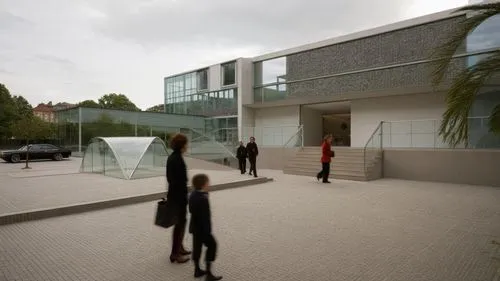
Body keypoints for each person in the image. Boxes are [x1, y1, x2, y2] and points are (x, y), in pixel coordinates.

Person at [189, 174, 223, 281]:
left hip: (194, 227)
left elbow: (192, 210)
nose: (209, 184)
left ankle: (197, 270)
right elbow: (205, 217)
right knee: (212, 245)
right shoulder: (203, 199)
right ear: (203, 185)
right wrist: (208, 231)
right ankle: (208, 273)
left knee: (197, 248)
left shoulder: (193, 195)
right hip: (203, 229)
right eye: (208, 182)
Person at [166, 133, 191, 263]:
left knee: (181, 224)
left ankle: (179, 248)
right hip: (178, 197)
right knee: (179, 225)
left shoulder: (174, 157)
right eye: (186, 143)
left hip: (176, 196)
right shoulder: (176, 159)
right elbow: (176, 180)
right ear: (182, 145)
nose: (187, 146)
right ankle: (175, 254)